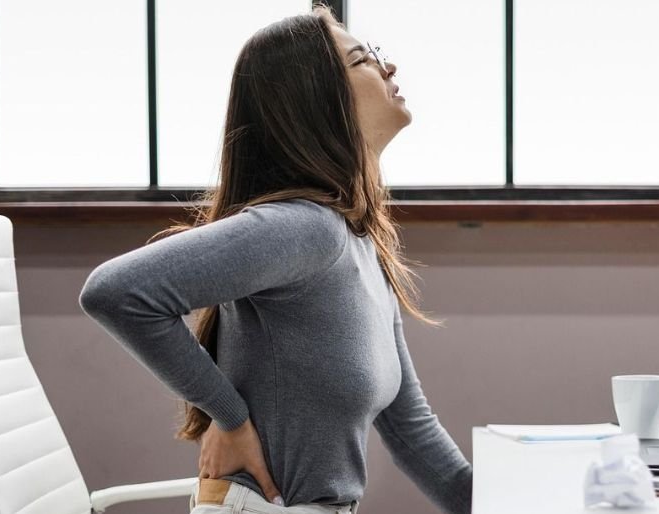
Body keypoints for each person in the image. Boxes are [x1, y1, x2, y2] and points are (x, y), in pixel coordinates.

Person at [78, 4, 472, 514]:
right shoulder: (304, 227)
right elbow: (115, 292)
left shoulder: (357, 241)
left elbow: (412, 430)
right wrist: (230, 417)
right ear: (317, 101)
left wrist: (507, 501)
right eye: (363, 60)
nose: (387, 67)